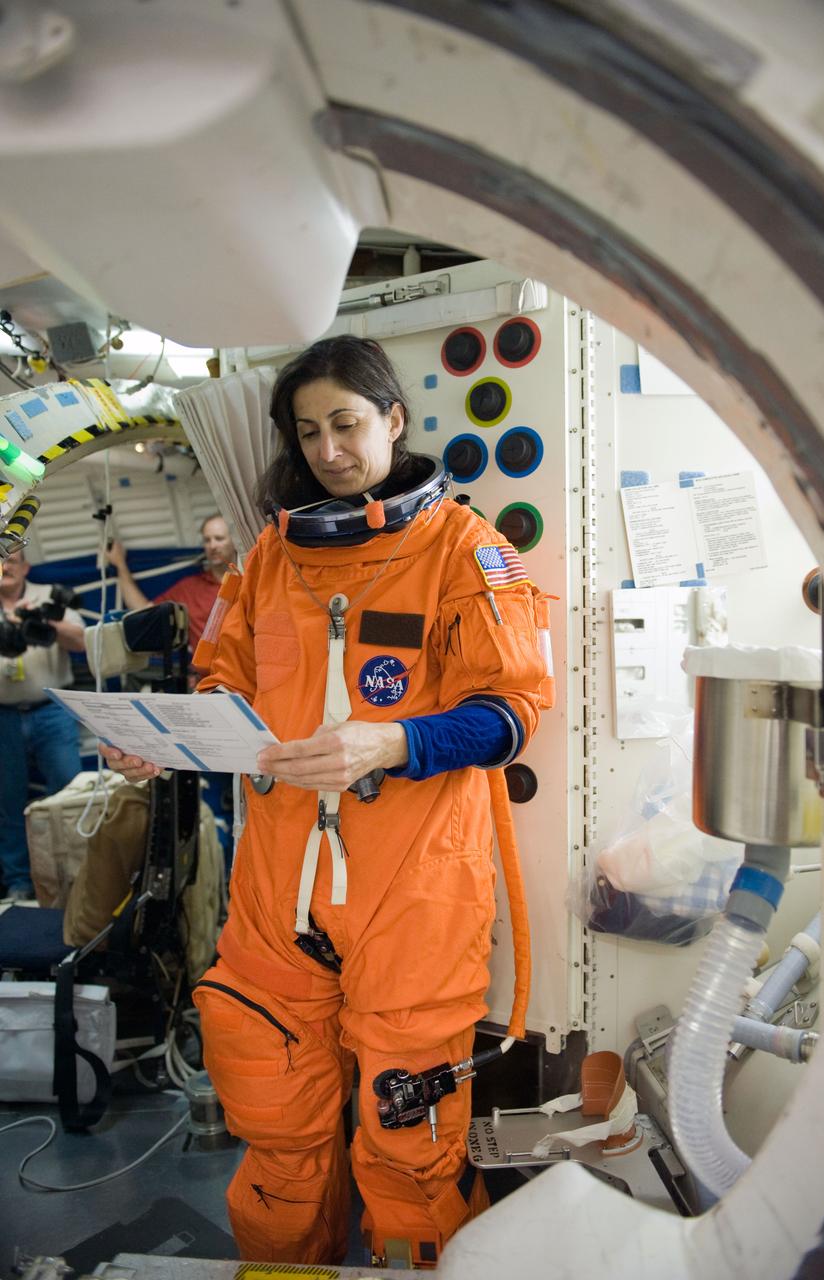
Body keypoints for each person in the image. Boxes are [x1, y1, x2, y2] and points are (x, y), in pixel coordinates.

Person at [101, 335, 553, 1267]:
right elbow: (217, 683)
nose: (329, 450)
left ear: (391, 418)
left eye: (346, 424)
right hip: (276, 895)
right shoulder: (268, 559)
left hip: (412, 896)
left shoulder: (466, 551)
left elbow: (513, 712)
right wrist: (162, 743)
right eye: (308, 432)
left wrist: (393, 739)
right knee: (277, 1143)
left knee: (410, 1152)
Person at [0, 549, 86, 900]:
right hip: (3, 716)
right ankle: (20, 882)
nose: (5, 565)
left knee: (69, 795)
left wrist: (43, 623)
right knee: (8, 804)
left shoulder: (49, 597)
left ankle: (80, 877)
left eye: (12, 558)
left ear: (25, 566)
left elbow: (82, 640)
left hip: (52, 709)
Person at [106, 513, 236, 653]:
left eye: (219, 538)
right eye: (207, 540)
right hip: (212, 673)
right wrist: (120, 565)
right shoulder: (190, 588)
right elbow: (144, 611)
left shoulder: (251, 580)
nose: (212, 545)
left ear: (235, 540)